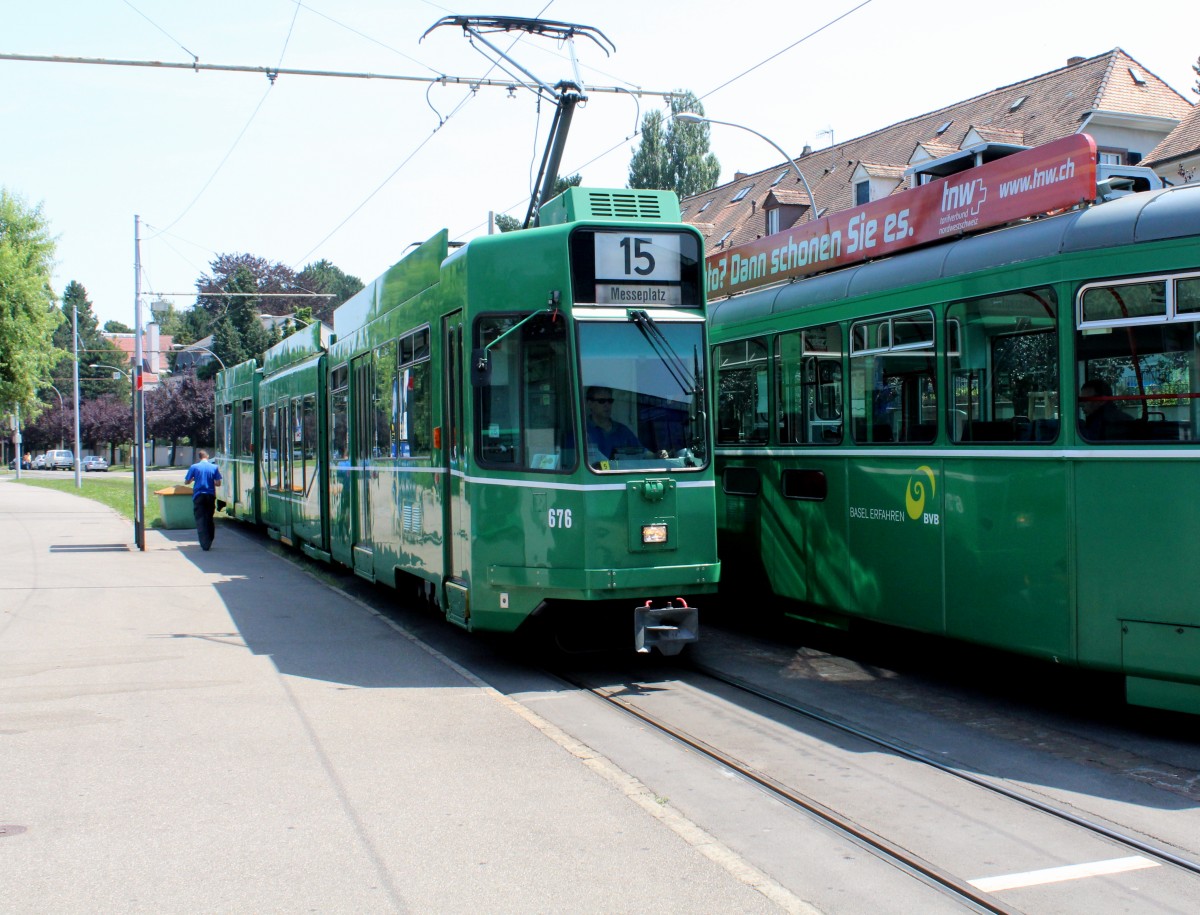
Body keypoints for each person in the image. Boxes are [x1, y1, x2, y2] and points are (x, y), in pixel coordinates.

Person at [584, 386, 665, 461]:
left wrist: (657, 455)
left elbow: (643, 453)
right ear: (590, 403)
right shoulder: (582, 433)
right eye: (602, 401)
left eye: (610, 401)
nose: (607, 405)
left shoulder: (622, 431)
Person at [184, 449, 223, 550]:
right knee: (209, 517)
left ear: (199, 457)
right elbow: (218, 483)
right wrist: (211, 482)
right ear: (208, 456)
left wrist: (193, 479)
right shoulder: (214, 467)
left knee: (200, 518)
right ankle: (210, 539)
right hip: (210, 495)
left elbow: (186, 482)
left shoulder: (194, 467)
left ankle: (204, 543)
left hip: (198, 495)